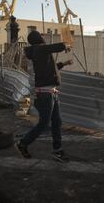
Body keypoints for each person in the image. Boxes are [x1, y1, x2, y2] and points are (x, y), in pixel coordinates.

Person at [15, 30, 73, 162]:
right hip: (44, 94)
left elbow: (49, 69)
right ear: (37, 39)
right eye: (41, 36)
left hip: (50, 92)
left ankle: (57, 150)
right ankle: (22, 144)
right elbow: (56, 47)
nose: (43, 38)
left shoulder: (38, 52)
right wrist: (66, 45)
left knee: (57, 122)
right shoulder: (39, 49)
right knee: (44, 123)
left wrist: (64, 64)